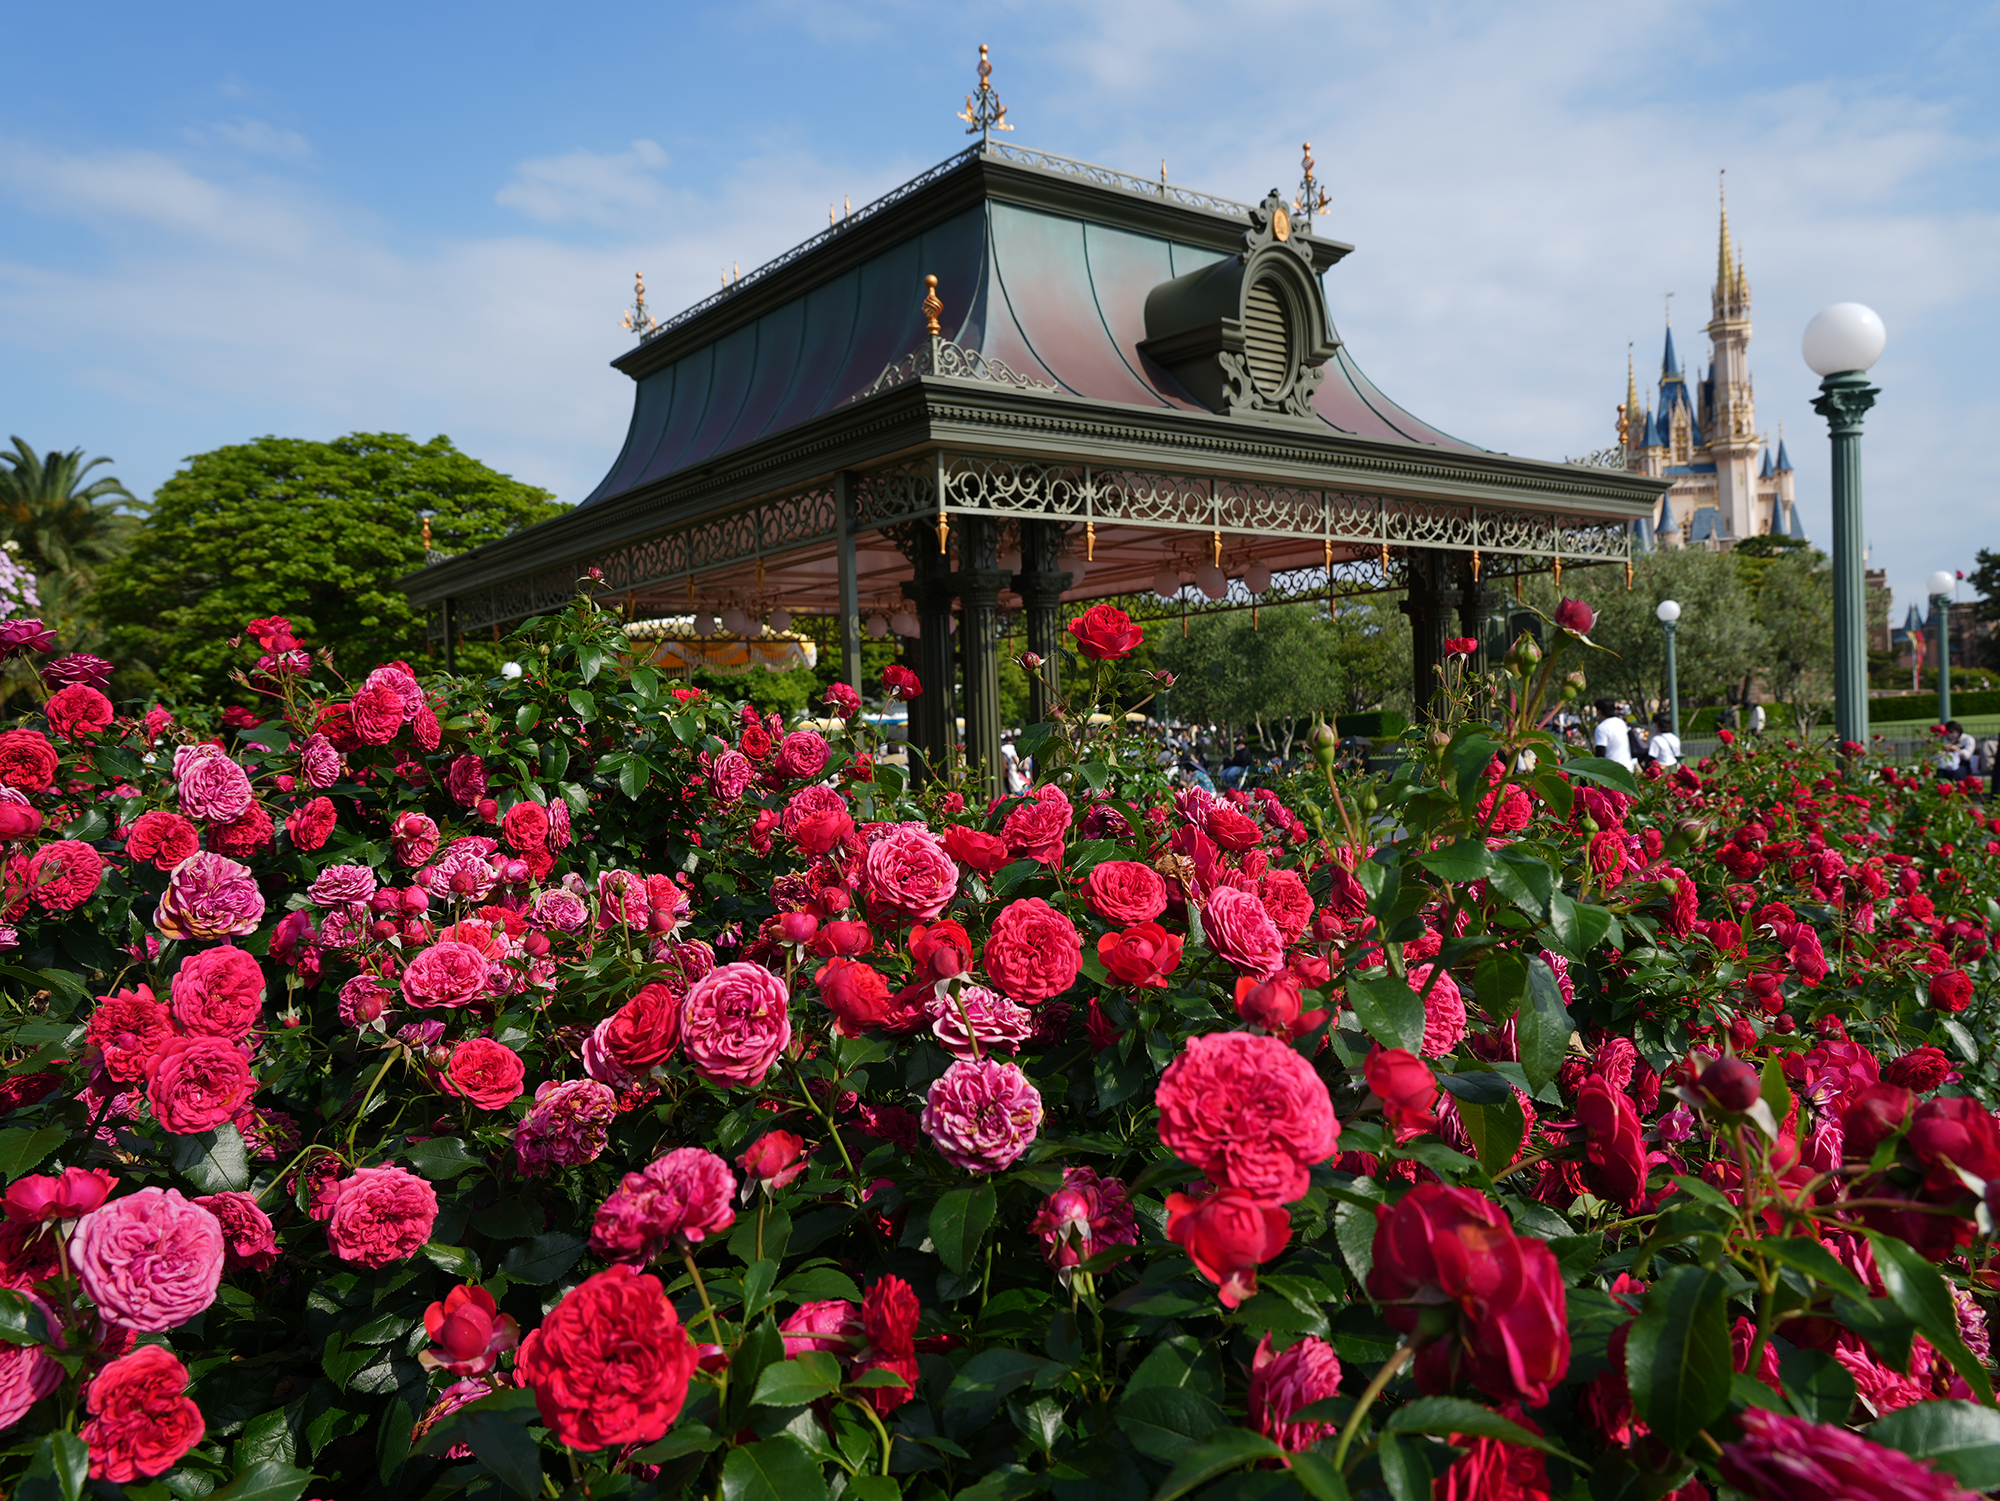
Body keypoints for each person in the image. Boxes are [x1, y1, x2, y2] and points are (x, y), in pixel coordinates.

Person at [1593, 698, 1635, 771]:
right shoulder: (1621, 723)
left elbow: (1600, 753)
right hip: (1627, 768)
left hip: (1611, 771)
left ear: (1600, 711)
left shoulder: (1602, 728)